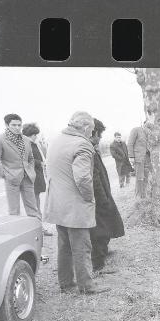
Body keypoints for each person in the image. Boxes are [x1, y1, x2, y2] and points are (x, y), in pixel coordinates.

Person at [44, 111, 109, 295]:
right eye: (92, 130)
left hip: (57, 203)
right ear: (87, 128)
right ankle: (87, 286)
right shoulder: (82, 144)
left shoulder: (57, 140)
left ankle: (66, 284)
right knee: (82, 247)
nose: (92, 133)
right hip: (74, 206)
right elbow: (82, 178)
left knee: (64, 246)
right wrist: (89, 198)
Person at [89, 119, 125, 271]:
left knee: (107, 223)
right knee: (99, 228)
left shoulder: (93, 148)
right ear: (93, 133)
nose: (100, 138)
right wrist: (103, 198)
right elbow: (94, 178)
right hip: (98, 196)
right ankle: (98, 262)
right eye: (99, 134)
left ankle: (103, 251)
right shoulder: (88, 150)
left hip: (102, 192)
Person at [0, 113, 40, 218]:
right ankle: (15, 233)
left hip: (27, 178)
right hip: (12, 179)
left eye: (19, 125)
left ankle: (38, 234)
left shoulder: (26, 139)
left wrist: (31, 171)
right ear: (7, 125)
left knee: (33, 210)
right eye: (14, 125)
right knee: (14, 212)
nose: (17, 127)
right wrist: (6, 175)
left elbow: (30, 158)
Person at [22, 123, 52, 236]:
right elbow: (27, 160)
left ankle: (39, 228)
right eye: (35, 134)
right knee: (34, 206)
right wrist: (41, 163)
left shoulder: (32, 144)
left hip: (36, 179)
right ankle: (38, 229)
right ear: (31, 134)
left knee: (36, 204)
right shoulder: (26, 145)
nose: (36, 137)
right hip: (31, 179)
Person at [127, 121, 148, 197]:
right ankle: (138, 196)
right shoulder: (136, 130)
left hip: (146, 158)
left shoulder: (149, 133)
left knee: (145, 177)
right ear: (143, 124)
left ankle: (144, 194)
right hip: (138, 158)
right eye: (146, 125)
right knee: (139, 177)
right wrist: (131, 157)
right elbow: (130, 143)